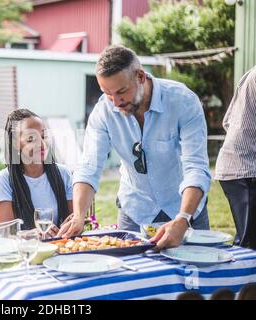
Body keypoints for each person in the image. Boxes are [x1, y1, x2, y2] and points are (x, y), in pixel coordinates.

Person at [57, 45, 211, 249]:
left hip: (185, 209)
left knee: (197, 274)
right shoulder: (103, 111)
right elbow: (88, 167)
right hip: (135, 210)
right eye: (107, 93)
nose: (115, 103)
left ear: (140, 76)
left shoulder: (183, 101)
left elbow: (196, 167)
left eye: (121, 91)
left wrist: (183, 218)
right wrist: (78, 215)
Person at [0, 108, 74, 236]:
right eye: (31, 139)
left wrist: (69, 226)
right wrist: (31, 235)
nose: (41, 144)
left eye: (43, 136)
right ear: (15, 144)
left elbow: (73, 221)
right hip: (23, 253)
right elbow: (6, 234)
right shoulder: (4, 180)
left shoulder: (64, 174)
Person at [215, 58, 256, 253]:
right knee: (252, 247)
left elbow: (227, 121)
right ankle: (243, 283)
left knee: (252, 241)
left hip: (245, 166)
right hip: (245, 168)